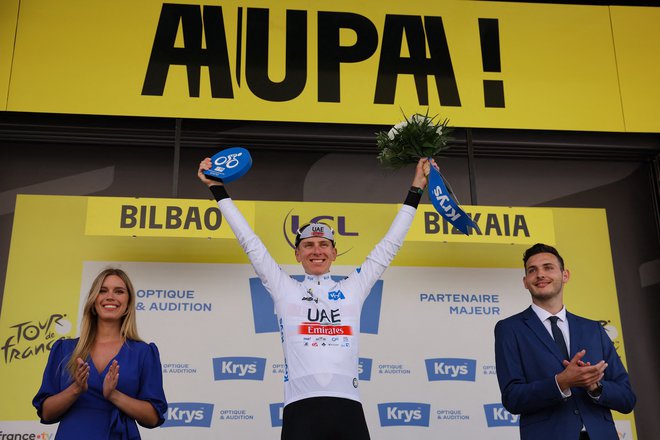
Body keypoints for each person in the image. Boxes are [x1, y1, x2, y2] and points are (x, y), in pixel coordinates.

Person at [198, 156, 435, 440]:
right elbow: (250, 241)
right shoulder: (285, 288)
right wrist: (216, 187)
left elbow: (389, 245)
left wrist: (416, 189)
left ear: (335, 253)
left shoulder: (353, 287)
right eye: (308, 245)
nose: (316, 250)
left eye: (324, 244)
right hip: (300, 408)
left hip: (348, 405)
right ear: (297, 254)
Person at [494, 243, 636, 440]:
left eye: (548, 267)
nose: (540, 274)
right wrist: (561, 382)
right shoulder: (509, 329)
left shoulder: (593, 329)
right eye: (532, 270)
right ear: (525, 281)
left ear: (565, 275)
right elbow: (512, 398)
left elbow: (627, 399)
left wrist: (595, 386)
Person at [33, 268, 168, 439]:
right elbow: (46, 413)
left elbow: (153, 418)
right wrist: (76, 389)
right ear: (93, 301)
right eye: (102, 291)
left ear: (128, 303)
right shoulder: (64, 349)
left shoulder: (144, 353)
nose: (110, 296)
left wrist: (114, 395)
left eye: (119, 291)